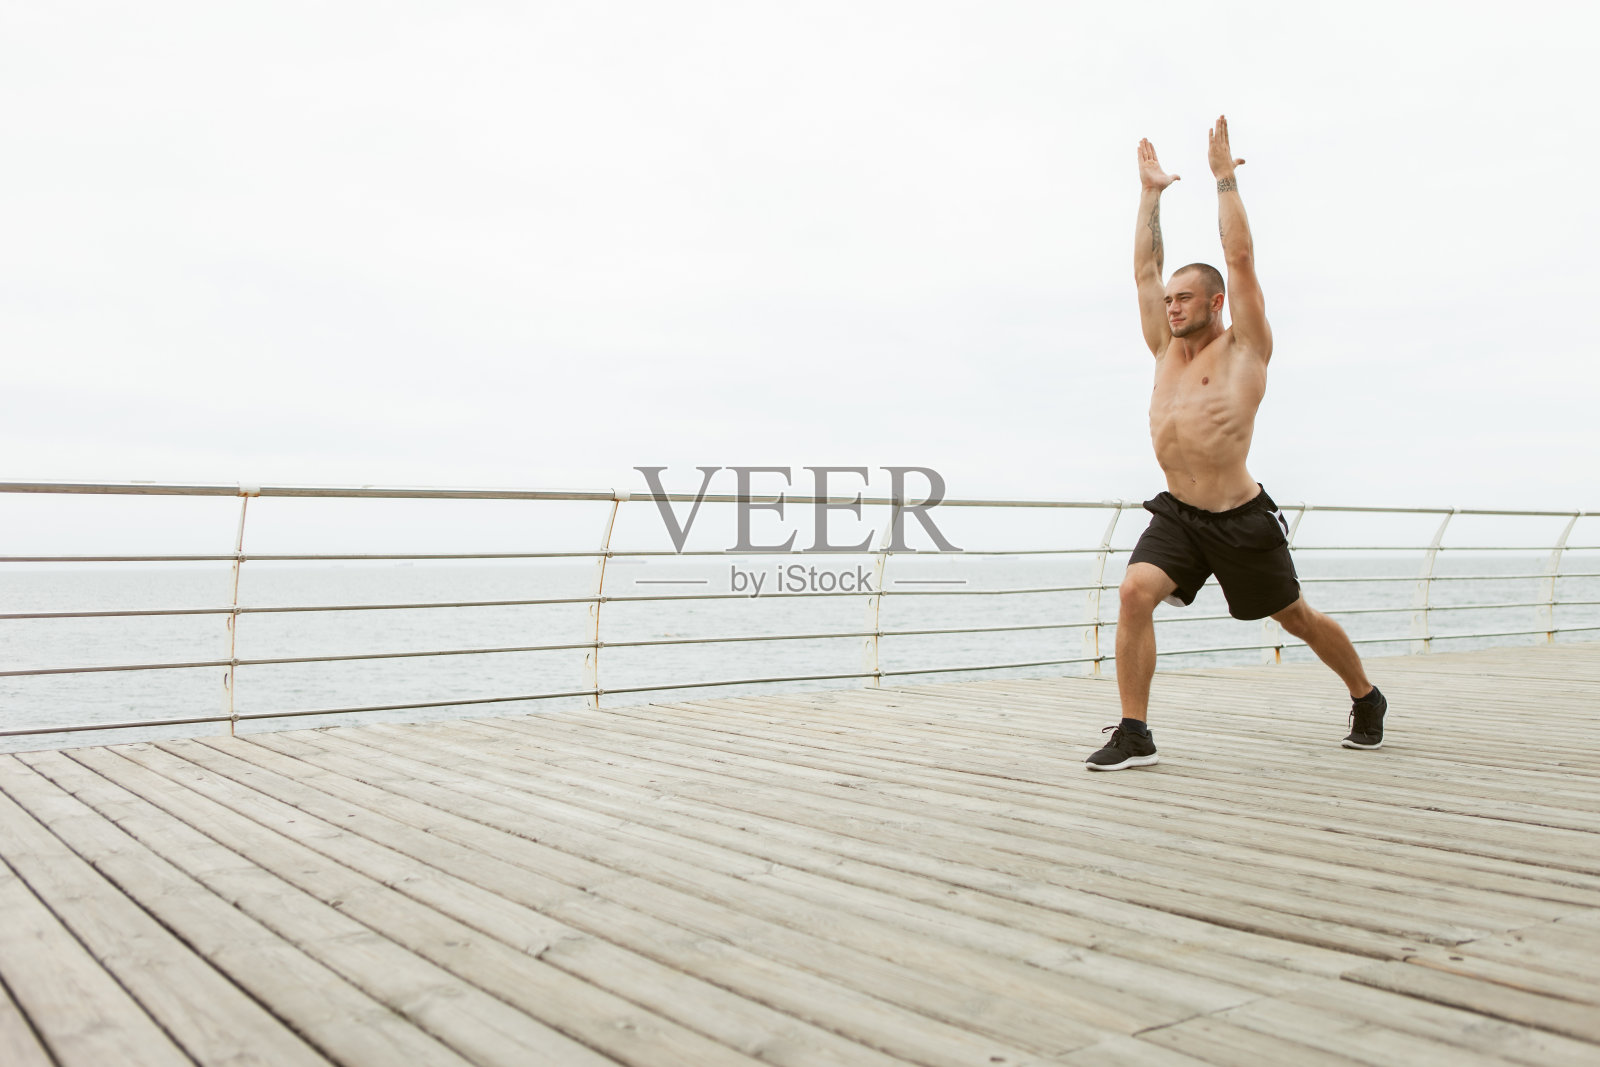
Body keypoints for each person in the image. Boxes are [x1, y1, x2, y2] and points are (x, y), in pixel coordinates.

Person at [1087, 116, 1387, 771]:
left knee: (1295, 618)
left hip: (1239, 518)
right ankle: (1135, 731)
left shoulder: (1245, 347)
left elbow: (1241, 259)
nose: (1171, 306)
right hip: (1179, 514)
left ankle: (1366, 695)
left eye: (1185, 299)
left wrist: (1223, 179)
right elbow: (1144, 269)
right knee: (1135, 591)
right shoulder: (1163, 349)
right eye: (1169, 299)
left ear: (1217, 302)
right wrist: (1150, 193)